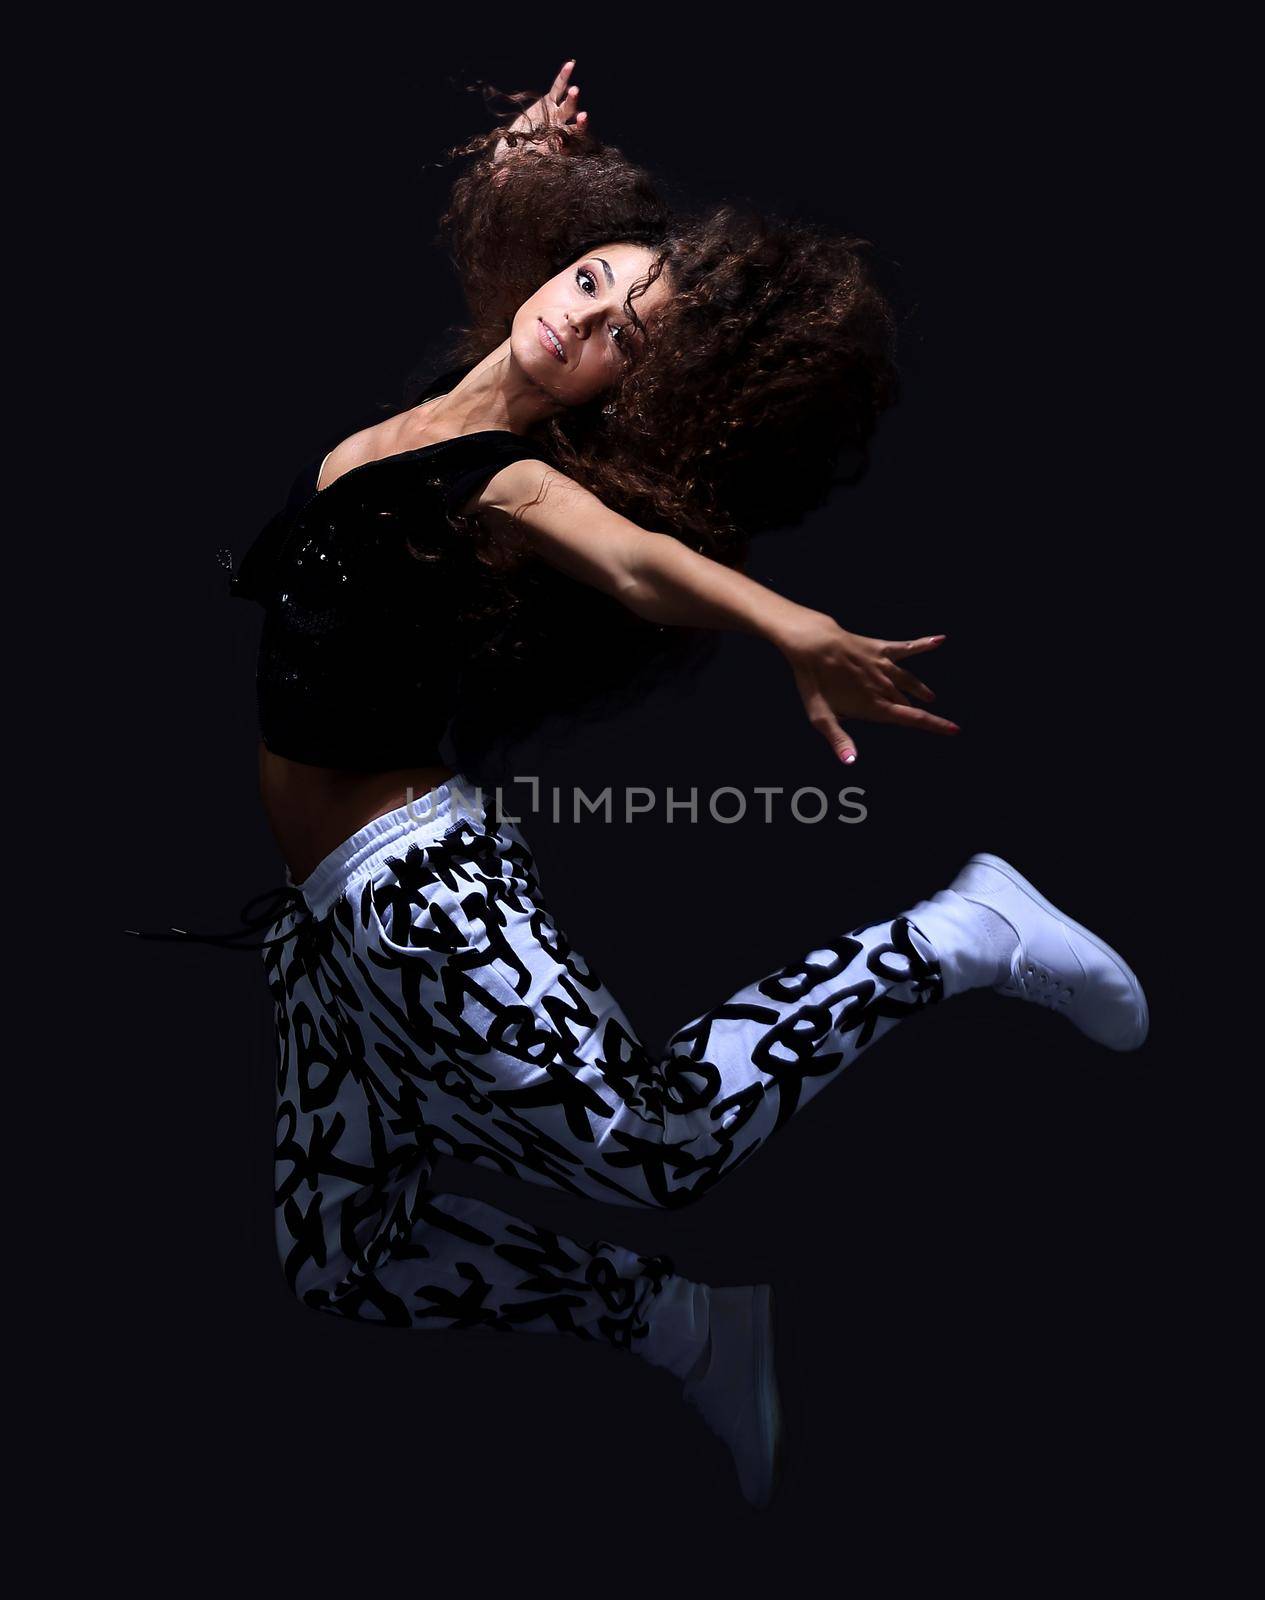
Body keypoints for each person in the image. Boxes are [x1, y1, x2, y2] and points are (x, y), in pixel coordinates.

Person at [131, 62, 1149, 1510]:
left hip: (424, 898)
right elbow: (506, 251)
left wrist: (786, 625)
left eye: (624, 335)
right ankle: (681, 1324)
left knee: (647, 1145)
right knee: (348, 1258)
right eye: (595, 279)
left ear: (630, 393)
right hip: (330, 933)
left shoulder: (501, 474)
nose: (589, 314)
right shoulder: (395, 434)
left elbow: (628, 563)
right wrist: (519, 157)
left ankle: (954, 935)